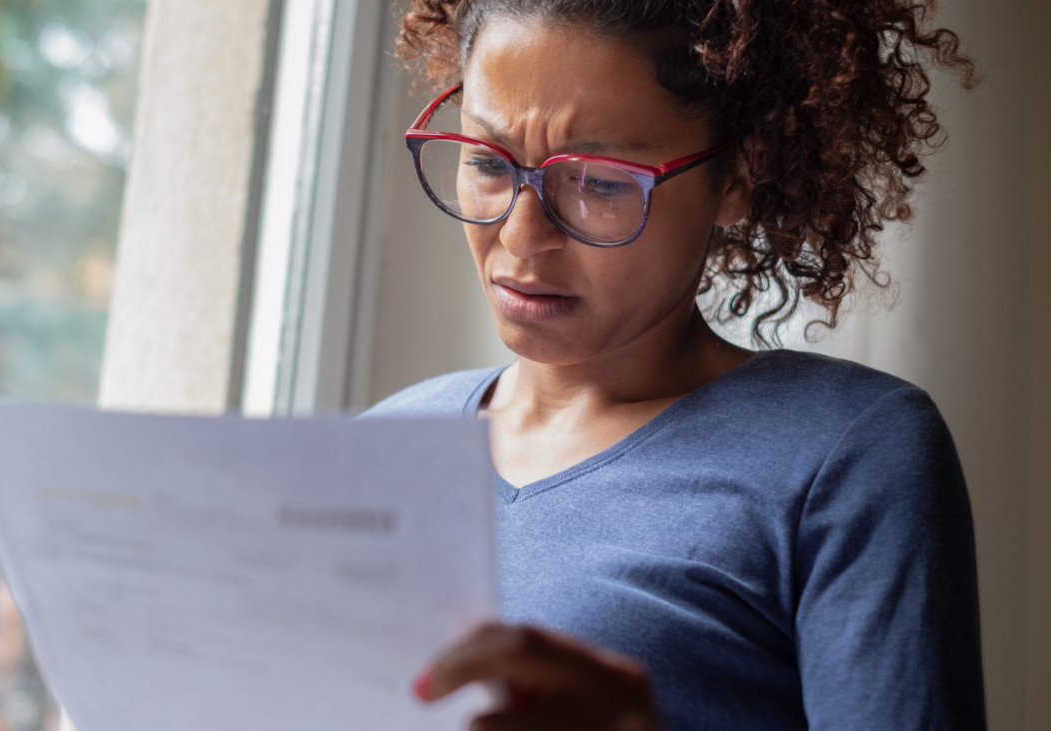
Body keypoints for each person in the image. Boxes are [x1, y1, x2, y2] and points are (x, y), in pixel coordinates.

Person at [360, 0, 986, 728]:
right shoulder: (387, 441)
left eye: (597, 181)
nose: (522, 236)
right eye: (488, 162)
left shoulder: (844, 455)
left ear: (739, 176)